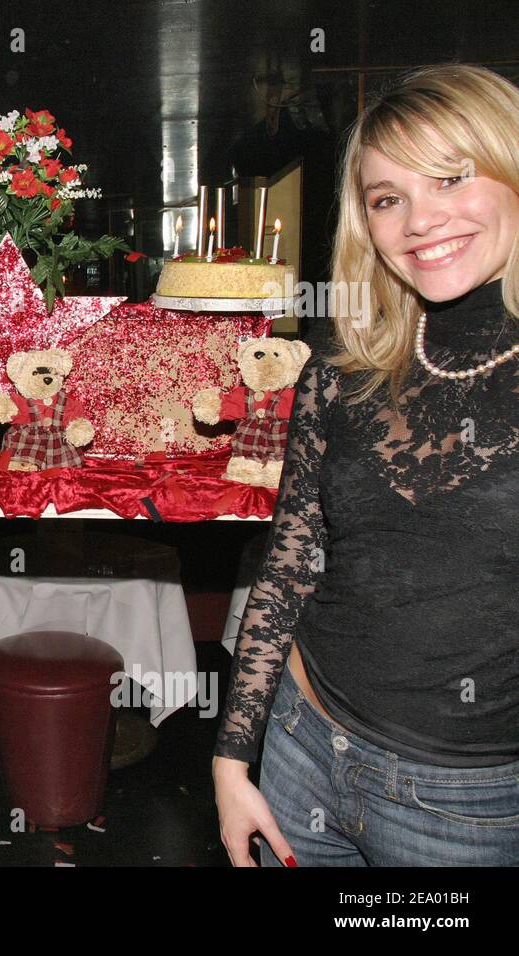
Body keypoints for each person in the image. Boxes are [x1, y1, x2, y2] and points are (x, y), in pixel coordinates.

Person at [213, 64, 519, 867]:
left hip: (466, 804)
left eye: (451, 178)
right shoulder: (342, 371)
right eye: (388, 198)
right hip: (300, 747)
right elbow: (286, 569)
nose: (421, 220)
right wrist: (231, 757)